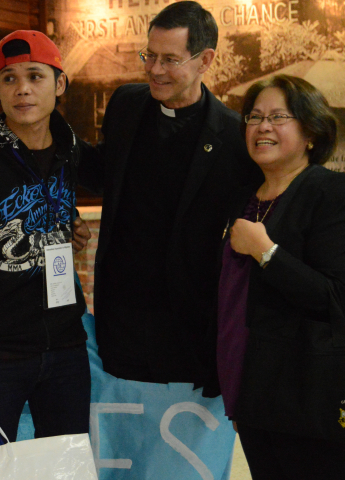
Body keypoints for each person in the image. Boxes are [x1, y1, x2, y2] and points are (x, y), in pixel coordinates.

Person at [0, 30, 100, 449]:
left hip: (66, 348)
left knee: (65, 473)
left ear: (59, 84)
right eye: (9, 78)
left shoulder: (71, 152)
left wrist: (67, 230)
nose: (22, 88)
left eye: (35, 76)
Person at [92, 1, 260, 388]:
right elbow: (102, 171)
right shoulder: (126, 104)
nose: (153, 69)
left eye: (170, 59)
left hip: (188, 329)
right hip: (121, 320)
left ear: (205, 60)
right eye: (149, 55)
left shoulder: (234, 138)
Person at [217, 75, 345, 479]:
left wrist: (266, 252)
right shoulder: (245, 198)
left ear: (310, 132)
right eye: (254, 117)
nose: (262, 127)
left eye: (277, 117)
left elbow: (334, 297)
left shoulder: (330, 193)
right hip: (253, 391)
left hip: (309, 399)